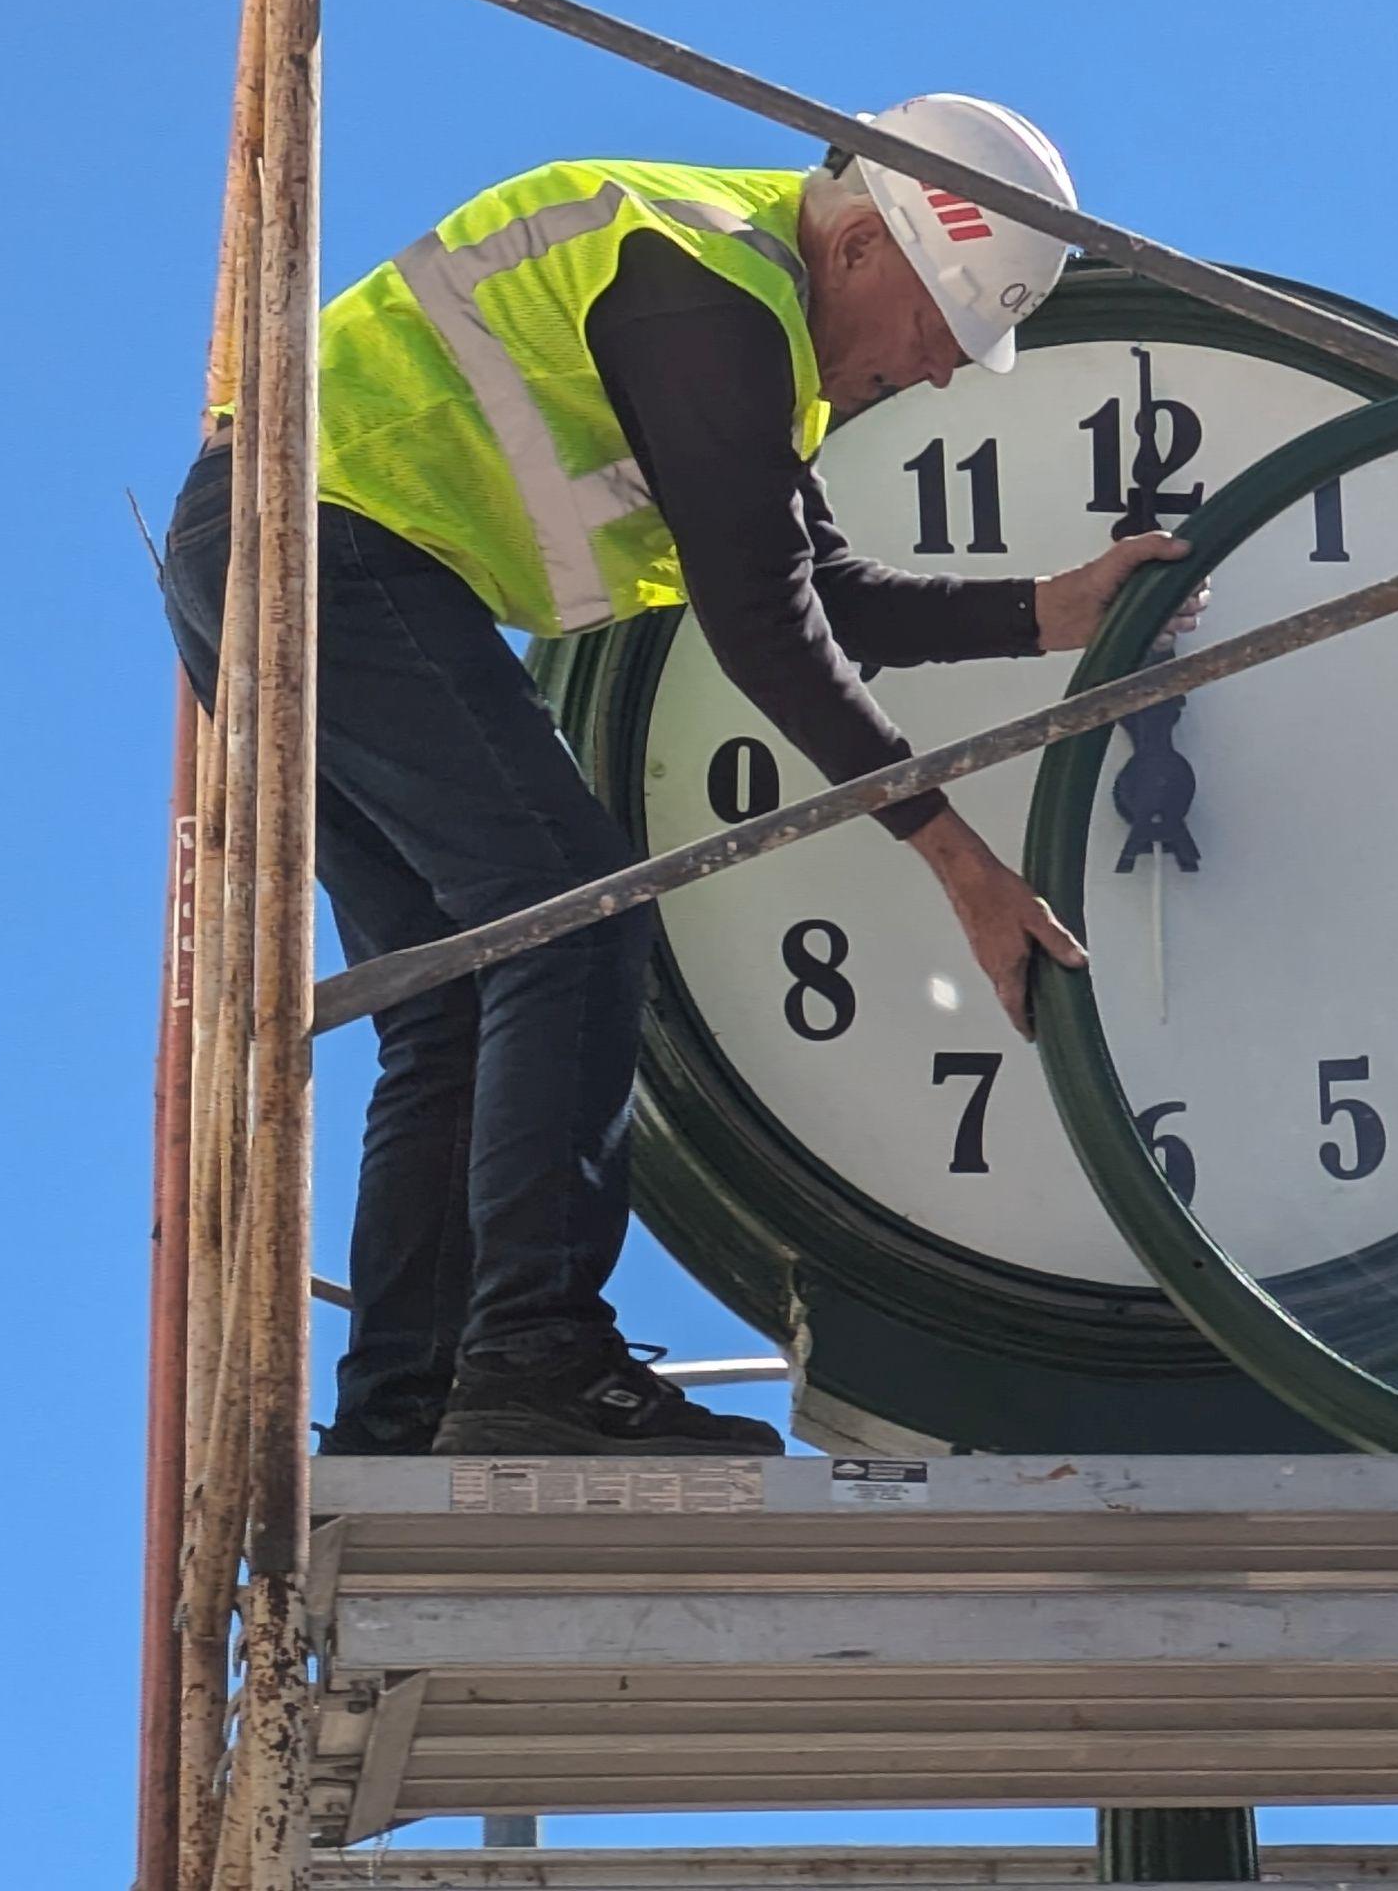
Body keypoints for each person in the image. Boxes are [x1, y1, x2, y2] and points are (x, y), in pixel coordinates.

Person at [163, 94, 1178, 1458]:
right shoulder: (705, 290)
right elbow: (765, 623)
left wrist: (1043, 612)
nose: (938, 372)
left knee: (457, 995)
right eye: (942, 329)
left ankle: (404, 1411)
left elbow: (820, 591)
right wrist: (960, 861)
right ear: (866, 247)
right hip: (328, 547)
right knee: (574, 909)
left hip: (277, 553)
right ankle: (535, 1358)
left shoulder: (729, 301)